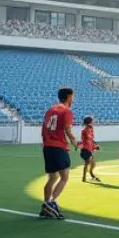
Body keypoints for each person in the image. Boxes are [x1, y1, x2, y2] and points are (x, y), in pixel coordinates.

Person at [39, 87, 76, 219]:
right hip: (58, 146)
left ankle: (46, 204)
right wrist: (73, 141)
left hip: (47, 146)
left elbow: (43, 128)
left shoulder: (50, 110)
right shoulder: (67, 111)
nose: (73, 99)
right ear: (68, 97)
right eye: (72, 96)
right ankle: (51, 203)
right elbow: (67, 129)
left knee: (52, 177)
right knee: (64, 177)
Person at [79, 115, 100, 183]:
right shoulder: (84, 130)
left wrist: (95, 145)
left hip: (89, 149)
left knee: (93, 163)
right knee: (87, 163)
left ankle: (91, 174)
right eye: (92, 120)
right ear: (89, 122)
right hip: (85, 149)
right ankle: (84, 178)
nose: (93, 122)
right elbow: (87, 139)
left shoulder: (91, 129)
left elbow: (91, 139)